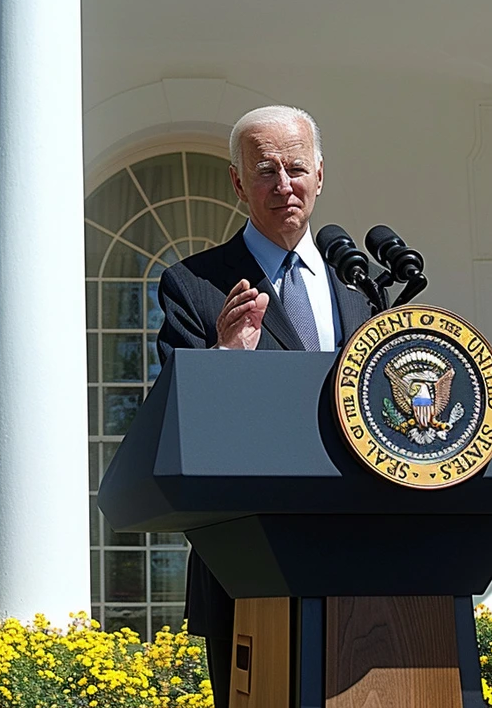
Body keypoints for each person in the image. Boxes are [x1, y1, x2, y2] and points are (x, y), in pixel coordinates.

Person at [155, 105, 373, 708]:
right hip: (247, 563)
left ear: (321, 175)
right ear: (237, 182)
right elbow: (170, 425)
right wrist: (224, 357)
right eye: (266, 171)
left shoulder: (357, 289)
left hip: (363, 558)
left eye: (296, 169)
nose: (284, 185)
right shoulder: (194, 284)